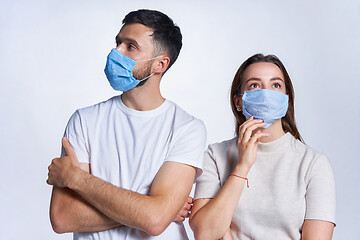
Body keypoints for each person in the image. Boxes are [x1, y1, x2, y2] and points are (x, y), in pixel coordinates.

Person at [47, 9, 206, 240]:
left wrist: (76, 179)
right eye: (118, 43)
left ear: (159, 64)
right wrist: (153, 208)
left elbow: (155, 220)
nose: (116, 51)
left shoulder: (187, 128)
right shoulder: (84, 120)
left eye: (130, 46)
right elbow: (63, 217)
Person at [189, 54, 336, 240]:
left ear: (286, 99)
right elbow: (204, 233)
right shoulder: (215, 156)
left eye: (276, 85)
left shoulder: (313, 164)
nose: (266, 93)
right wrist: (242, 167)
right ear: (238, 101)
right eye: (254, 85)